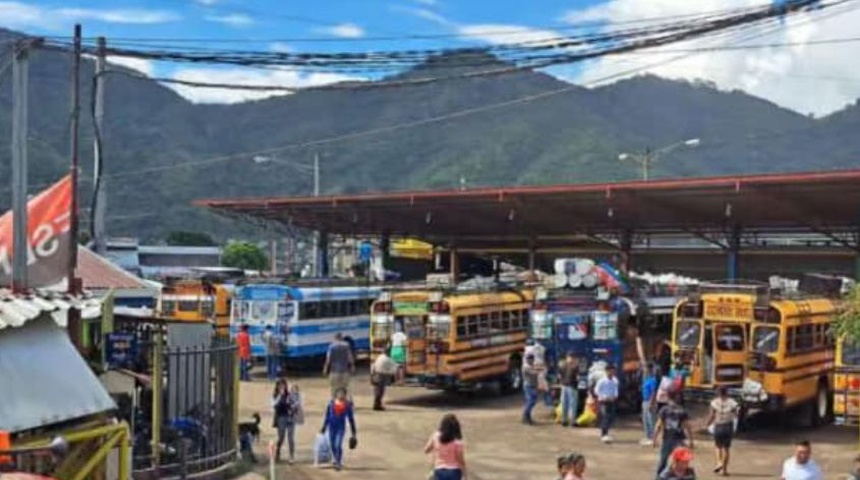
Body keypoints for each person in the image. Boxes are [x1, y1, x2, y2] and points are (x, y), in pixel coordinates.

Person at [653, 391, 694, 478]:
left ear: (668, 398)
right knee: (680, 460)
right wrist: (691, 440)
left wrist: (654, 438)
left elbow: (658, 425)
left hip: (667, 438)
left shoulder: (664, 410)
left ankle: (659, 477)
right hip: (678, 439)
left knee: (663, 461)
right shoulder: (682, 410)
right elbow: (687, 426)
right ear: (677, 397)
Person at [320, 387, 357, 471]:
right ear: (336, 394)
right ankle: (335, 458)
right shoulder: (331, 404)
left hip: (340, 428)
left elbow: (351, 419)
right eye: (339, 393)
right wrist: (324, 427)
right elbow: (327, 416)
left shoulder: (347, 406)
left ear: (345, 395)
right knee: (332, 445)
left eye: (342, 393)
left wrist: (353, 432)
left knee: (338, 444)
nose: (340, 395)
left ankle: (338, 462)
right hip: (331, 427)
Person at [706, 386, 739, 476]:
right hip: (728, 426)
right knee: (726, 449)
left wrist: (707, 424)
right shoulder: (732, 403)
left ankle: (719, 462)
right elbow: (736, 414)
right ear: (727, 392)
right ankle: (724, 470)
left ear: (718, 393)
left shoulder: (714, 403)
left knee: (718, 447)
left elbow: (712, 416)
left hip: (718, 426)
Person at [424, 413, 467, 480]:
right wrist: (465, 475)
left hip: (439, 471)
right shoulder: (457, 441)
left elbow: (426, 450)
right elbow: (460, 460)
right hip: (454, 472)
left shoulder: (436, 436)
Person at [272, 378, 301, 463]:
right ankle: (278, 451)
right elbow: (274, 405)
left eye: (283, 385)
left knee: (290, 437)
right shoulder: (276, 396)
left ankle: (291, 456)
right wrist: (280, 396)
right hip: (281, 417)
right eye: (280, 386)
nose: (282, 387)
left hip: (290, 417)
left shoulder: (290, 394)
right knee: (281, 437)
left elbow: (296, 403)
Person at [323, 333, 355, 398]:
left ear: (335, 338)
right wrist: (352, 366)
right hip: (345, 370)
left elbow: (328, 359)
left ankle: (334, 402)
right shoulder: (346, 345)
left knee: (334, 388)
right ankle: (347, 402)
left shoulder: (331, 346)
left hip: (334, 371)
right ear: (341, 338)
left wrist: (325, 368)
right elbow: (350, 357)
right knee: (346, 387)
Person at [594, 364, 619, 443]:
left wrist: (615, 396)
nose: (612, 372)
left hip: (612, 401)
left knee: (611, 417)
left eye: (613, 371)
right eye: (610, 371)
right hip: (603, 401)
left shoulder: (615, 380)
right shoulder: (602, 381)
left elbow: (616, 390)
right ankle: (604, 434)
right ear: (607, 371)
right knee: (605, 417)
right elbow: (596, 391)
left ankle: (606, 432)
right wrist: (604, 397)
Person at [559, 352, 580, 427]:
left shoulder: (562, 365)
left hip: (564, 386)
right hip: (572, 386)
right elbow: (578, 378)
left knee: (564, 404)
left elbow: (560, 375)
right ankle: (572, 421)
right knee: (572, 405)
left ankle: (564, 421)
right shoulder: (575, 366)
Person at [641, 364, 659, 446]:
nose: (645, 371)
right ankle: (648, 436)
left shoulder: (653, 380)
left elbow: (653, 392)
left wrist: (651, 402)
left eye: (646, 369)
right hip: (645, 401)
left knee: (651, 419)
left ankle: (652, 438)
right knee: (645, 419)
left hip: (649, 401)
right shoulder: (646, 379)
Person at [522, 353, 542, 425]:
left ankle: (527, 417)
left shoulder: (531, 365)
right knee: (530, 401)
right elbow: (533, 373)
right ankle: (525, 417)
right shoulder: (526, 366)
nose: (531, 360)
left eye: (531, 359)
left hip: (532, 386)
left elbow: (535, 370)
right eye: (529, 359)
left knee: (532, 401)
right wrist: (540, 370)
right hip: (528, 386)